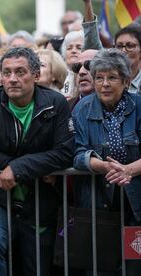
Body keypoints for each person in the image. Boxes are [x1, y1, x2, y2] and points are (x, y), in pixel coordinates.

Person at [0, 47, 74, 276]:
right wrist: (37, 166)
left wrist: (18, 168)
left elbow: (65, 152)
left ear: (36, 76)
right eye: (6, 73)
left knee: (35, 265)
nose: (12, 79)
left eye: (20, 72)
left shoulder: (56, 103)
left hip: (40, 201)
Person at [73, 48, 141, 275]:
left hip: (135, 201)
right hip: (99, 200)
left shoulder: (139, 106)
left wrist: (128, 170)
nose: (105, 84)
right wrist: (102, 165)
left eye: (112, 78)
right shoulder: (82, 109)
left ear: (126, 81)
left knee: (134, 263)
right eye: (99, 78)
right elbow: (78, 152)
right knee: (102, 266)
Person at [61, 30, 84, 98]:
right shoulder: (59, 75)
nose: (73, 51)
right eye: (69, 48)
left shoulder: (89, 76)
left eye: (79, 48)